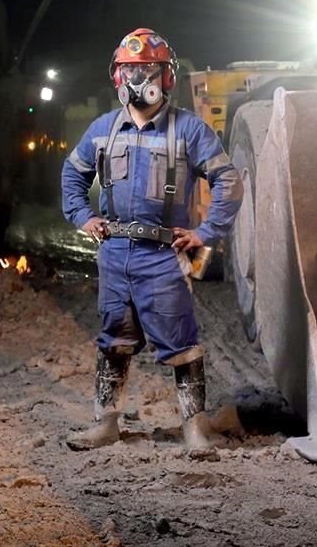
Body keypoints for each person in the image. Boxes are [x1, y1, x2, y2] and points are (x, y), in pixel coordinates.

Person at [61, 28, 243, 458]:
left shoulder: (189, 130)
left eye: (147, 70)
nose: (136, 79)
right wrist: (83, 216)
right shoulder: (103, 129)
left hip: (164, 255)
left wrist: (205, 233)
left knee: (180, 341)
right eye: (128, 70)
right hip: (115, 254)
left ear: (166, 78)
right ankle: (106, 425)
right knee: (114, 339)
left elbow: (228, 181)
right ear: (116, 76)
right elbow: (72, 175)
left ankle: (194, 431)